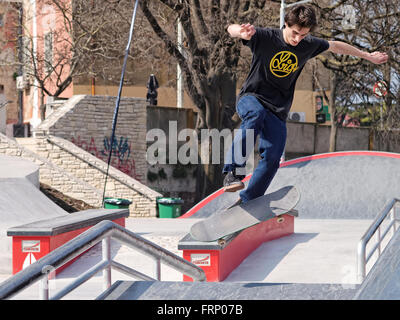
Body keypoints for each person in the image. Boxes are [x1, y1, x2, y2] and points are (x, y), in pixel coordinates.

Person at [222, 4, 388, 206]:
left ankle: (248, 201)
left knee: (274, 157)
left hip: (277, 109)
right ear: (286, 23)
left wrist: (367, 56)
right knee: (255, 114)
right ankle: (232, 173)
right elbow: (230, 28)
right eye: (295, 33)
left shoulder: (308, 44)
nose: (298, 39)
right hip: (252, 97)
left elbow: (336, 45)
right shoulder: (265, 37)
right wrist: (240, 31)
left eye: (303, 35)